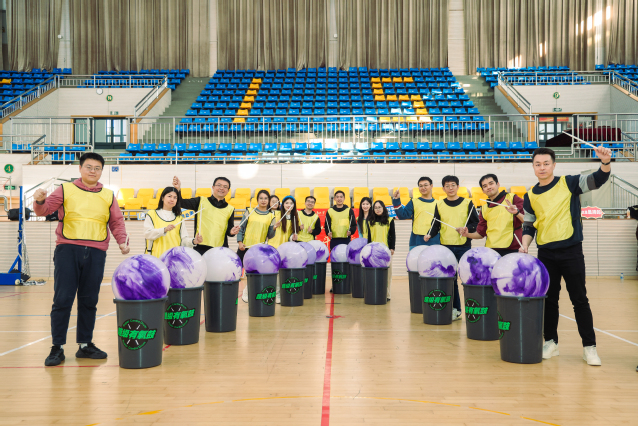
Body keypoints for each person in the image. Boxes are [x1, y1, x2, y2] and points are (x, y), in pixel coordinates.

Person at [33, 152, 130, 367]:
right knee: (62, 300)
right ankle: (57, 347)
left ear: (101, 171)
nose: (93, 171)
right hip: (68, 250)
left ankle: (85, 345)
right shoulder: (65, 189)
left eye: (97, 168)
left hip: (96, 253)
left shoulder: (108, 195)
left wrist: (122, 241)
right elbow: (44, 210)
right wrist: (39, 200)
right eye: (89, 167)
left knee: (89, 300)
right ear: (80, 168)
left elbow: (116, 222)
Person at [520, 146, 612, 366]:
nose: (542, 167)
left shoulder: (569, 183)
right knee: (549, 300)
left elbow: (598, 179)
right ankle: (551, 342)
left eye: (546, 163)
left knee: (579, 299)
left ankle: (589, 347)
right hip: (545, 254)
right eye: (538, 164)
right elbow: (529, 225)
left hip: (571, 251)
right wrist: (525, 245)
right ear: (533, 167)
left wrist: (605, 162)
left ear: (554, 165)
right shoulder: (529, 195)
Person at [437, 175, 479, 321]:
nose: (450, 188)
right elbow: (435, 224)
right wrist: (429, 234)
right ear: (443, 188)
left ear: (458, 187)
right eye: (447, 186)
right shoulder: (439, 204)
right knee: (451, 280)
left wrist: (467, 229)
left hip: (463, 246)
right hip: (446, 247)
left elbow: (476, 223)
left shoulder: (468, 203)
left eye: (453, 185)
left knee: (468, 278)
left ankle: (473, 309)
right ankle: (456, 309)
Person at [172, 176, 240, 255]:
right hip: (201, 247)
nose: (222, 188)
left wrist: (232, 232)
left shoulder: (230, 209)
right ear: (213, 187)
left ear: (228, 190)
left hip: (220, 249)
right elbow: (181, 202)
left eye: (225, 187)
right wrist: (178, 189)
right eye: (219, 185)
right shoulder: (201, 201)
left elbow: (229, 231)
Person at [460, 174, 524, 256]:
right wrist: (467, 234)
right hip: (491, 251)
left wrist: (517, 213)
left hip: (513, 249)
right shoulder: (484, 208)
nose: (489, 187)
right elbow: (480, 234)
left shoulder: (512, 198)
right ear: (483, 190)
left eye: (491, 184)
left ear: (498, 184)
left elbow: (527, 220)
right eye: (485, 186)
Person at [239, 189, 276, 303]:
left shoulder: (271, 216)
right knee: (244, 272)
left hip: (259, 250)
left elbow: (270, 235)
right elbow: (241, 227)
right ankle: (244, 293)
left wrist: (274, 228)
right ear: (257, 199)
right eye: (261, 198)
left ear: (269, 200)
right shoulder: (249, 211)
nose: (263, 200)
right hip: (245, 247)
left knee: (256, 273)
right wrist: (240, 242)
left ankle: (252, 293)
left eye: (265, 198)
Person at [144, 187, 202, 257]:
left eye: (175, 197)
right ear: (162, 198)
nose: (172, 199)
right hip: (155, 258)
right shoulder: (152, 214)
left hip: (173, 258)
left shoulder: (179, 218)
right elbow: (147, 234)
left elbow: (183, 240)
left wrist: (193, 241)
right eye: (169, 196)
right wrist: (164, 230)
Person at [392, 177, 441, 249]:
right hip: (416, 241)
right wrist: (396, 200)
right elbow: (402, 215)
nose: (423, 188)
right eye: (420, 186)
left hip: (434, 241)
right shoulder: (413, 202)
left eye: (425, 185)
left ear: (431, 186)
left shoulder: (439, 204)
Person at [366, 200, 396, 301]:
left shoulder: (389, 220)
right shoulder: (370, 221)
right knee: (374, 274)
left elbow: (392, 235)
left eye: (379, 207)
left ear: (383, 208)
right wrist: (368, 250)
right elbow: (369, 237)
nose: (377, 209)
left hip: (386, 252)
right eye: (375, 208)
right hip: (373, 252)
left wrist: (392, 248)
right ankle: (375, 293)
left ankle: (387, 295)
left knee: (387, 274)